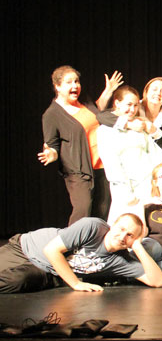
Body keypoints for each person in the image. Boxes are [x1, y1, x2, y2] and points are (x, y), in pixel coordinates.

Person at [37, 66, 122, 225]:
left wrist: (108, 91)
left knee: (102, 210)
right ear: (57, 86)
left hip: (102, 165)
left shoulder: (84, 100)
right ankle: (72, 246)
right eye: (69, 82)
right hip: (79, 171)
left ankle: (97, 247)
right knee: (83, 210)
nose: (75, 85)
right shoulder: (52, 114)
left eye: (76, 81)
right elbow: (52, 145)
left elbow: (98, 111)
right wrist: (51, 154)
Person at [0, 214, 162, 293]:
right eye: (121, 229)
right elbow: (51, 250)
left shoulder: (120, 261)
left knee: (17, 281)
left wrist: (138, 247)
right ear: (112, 225)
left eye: (130, 235)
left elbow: (157, 281)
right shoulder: (93, 227)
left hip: (49, 271)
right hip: (25, 248)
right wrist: (76, 284)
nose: (123, 237)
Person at [97, 85, 162, 224]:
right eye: (128, 104)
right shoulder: (105, 131)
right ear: (117, 103)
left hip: (147, 185)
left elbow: (155, 153)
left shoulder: (138, 126)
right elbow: (112, 163)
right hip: (125, 188)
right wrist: (126, 192)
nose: (132, 109)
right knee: (125, 229)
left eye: (135, 105)